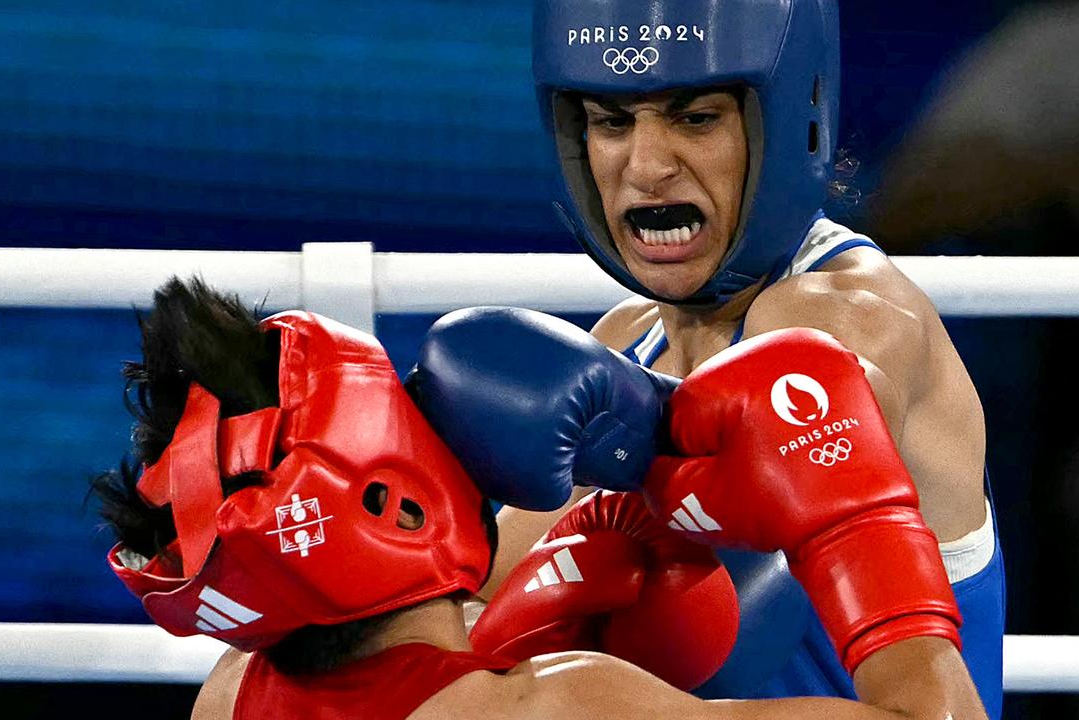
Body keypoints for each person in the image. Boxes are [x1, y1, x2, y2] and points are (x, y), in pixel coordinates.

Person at [92, 277, 985, 719]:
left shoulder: (231, 692)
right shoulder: (562, 706)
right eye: (400, 407)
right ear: (396, 505)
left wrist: (510, 624)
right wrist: (854, 517)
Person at [470, 0, 1005, 715]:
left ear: (786, 125)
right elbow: (475, 604)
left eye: (697, 119)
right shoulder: (622, 343)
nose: (648, 165)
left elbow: (819, 410)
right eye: (611, 122)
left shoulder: (849, 314)